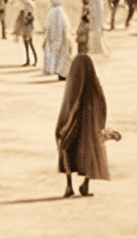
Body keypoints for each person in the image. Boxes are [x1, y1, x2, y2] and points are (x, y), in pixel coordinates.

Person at [56, 55, 111, 198]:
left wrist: (65, 126)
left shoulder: (75, 84)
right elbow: (103, 104)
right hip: (90, 126)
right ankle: (85, 184)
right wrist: (101, 125)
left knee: (65, 148)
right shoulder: (95, 84)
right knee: (90, 151)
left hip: (74, 123)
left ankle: (69, 185)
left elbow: (72, 106)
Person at [42, 0, 72, 80]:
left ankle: (58, 70)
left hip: (56, 31)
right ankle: (60, 70)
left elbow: (47, 25)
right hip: (59, 30)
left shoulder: (54, 10)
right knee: (60, 48)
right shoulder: (59, 10)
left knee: (56, 48)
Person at [15, 0, 37, 66]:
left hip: (28, 27)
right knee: (27, 44)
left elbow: (31, 18)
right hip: (25, 26)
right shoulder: (26, 7)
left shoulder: (30, 5)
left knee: (30, 43)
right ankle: (29, 60)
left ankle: (34, 60)